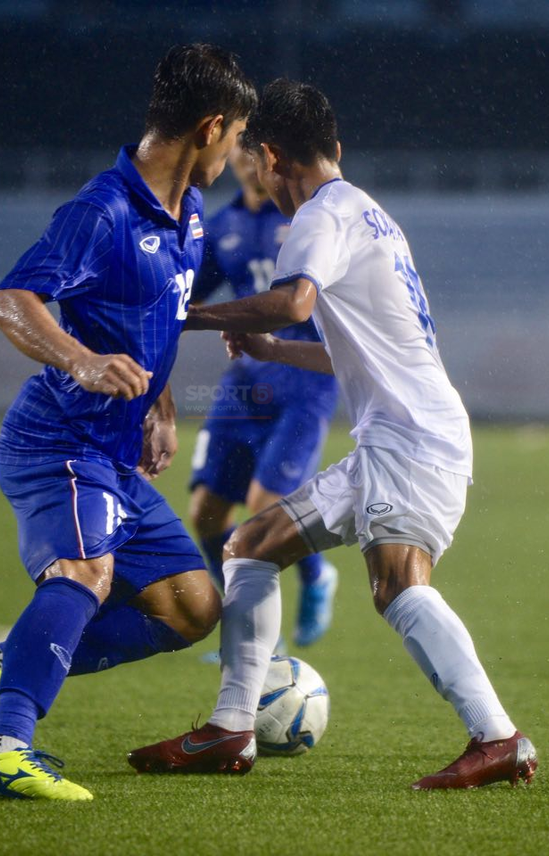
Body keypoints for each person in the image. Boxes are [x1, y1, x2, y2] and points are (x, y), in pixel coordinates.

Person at [127, 79, 538, 789]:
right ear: (337, 147)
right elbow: (361, 349)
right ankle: (230, 730)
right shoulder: (369, 213)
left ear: (275, 156)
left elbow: (293, 299)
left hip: (411, 442)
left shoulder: (320, 213)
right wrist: (275, 349)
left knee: (398, 584)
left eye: (265, 166)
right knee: (248, 545)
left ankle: (497, 737)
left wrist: (183, 315)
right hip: (401, 435)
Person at [0, 43, 256, 801]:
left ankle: (0, 662)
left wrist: (161, 405)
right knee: (86, 571)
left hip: (113, 448)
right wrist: (81, 361)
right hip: (59, 441)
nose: (240, 151)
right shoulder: (103, 210)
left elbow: (160, 318)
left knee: (193, 605)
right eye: (240, 136)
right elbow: (11, 300)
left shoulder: (188, 214)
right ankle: (4, 745)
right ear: (212, 127)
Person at [189, 144, 339, 647]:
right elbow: (193, 295)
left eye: (256, 150)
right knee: (206, 511)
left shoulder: (307, 222)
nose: (246, 160)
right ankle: (244, 620)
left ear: (273, 158)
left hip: (304, 378)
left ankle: (312, 582)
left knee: (264, 504)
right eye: (238, 148)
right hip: (245, 383)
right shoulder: (221, 224)